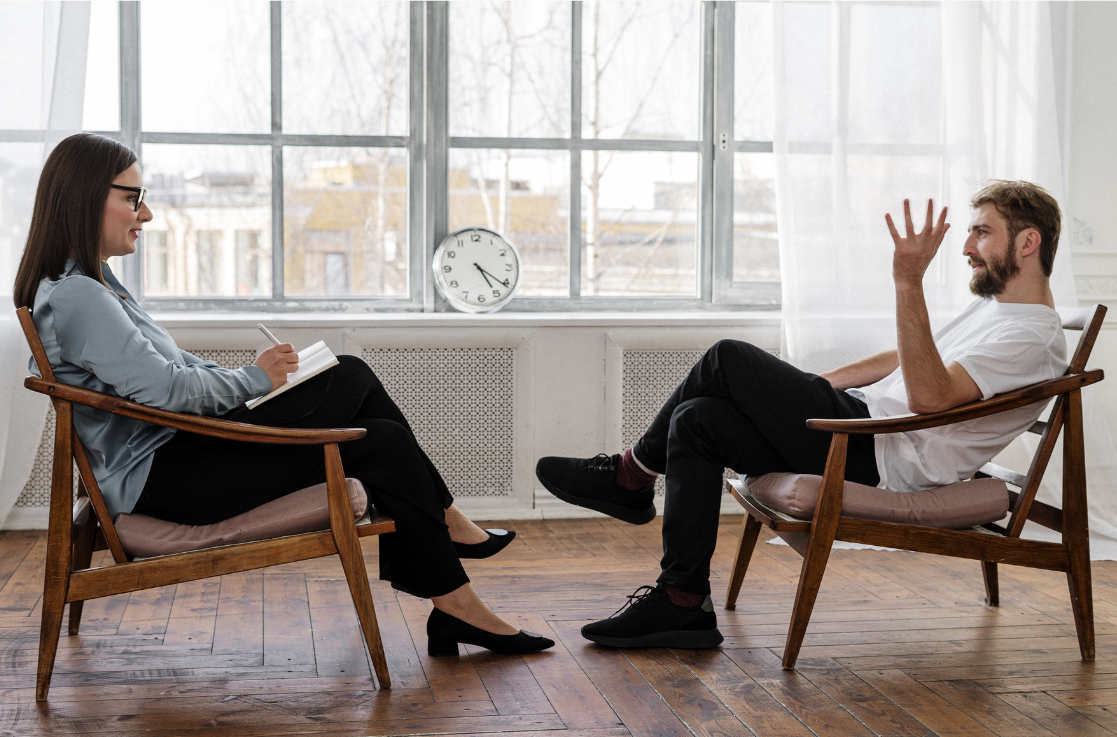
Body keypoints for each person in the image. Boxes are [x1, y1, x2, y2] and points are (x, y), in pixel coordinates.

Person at [14, 132, 553, 657]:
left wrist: (257, 379)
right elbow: (166, 391)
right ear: (86, 197)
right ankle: (450, 535)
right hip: (165, 478)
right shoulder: (81, 295)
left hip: (177, 457)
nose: (146, 215)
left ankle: (457, 605)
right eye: (134, 199)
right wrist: (255, 380)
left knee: (380, 435)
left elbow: (170, 369)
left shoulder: (94, 285)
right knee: (350, 376)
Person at [537, 181, 1068, 649]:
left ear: (1027, 242)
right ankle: (682, 600)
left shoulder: (1030, 337)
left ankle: (630, 476)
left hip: (878, 454)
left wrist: (907, 283)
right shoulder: (998, 311)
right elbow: (908, 357)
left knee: (727, 356)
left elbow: (930, 397)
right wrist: (815, 387)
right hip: (862, 425)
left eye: (982, 232)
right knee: (697, 418)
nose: (967, 248)